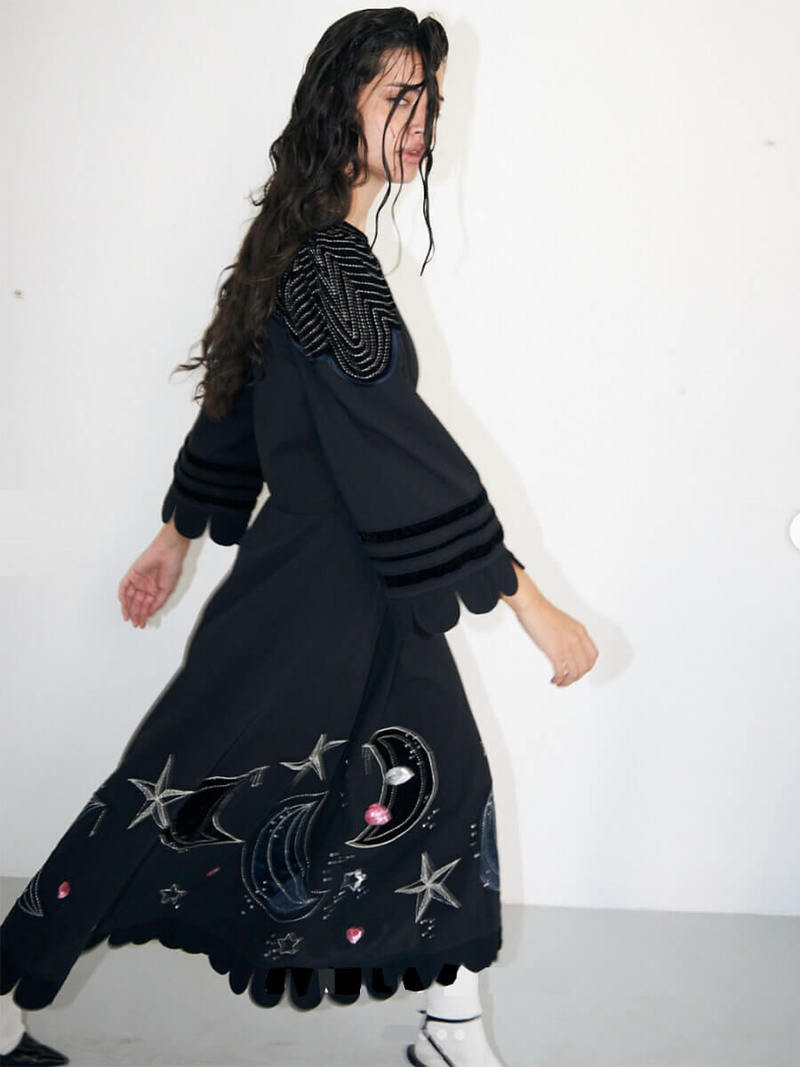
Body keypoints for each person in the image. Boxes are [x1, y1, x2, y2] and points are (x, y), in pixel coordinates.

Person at [0, 8, 598, 1066]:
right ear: (339, 103)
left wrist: (174, 536)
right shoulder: (328, 262)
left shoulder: (303, 244)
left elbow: (252, 404)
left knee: (444, 783)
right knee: (165, 794)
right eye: (397, 97)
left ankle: (452, 1033)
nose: (421, 122)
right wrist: (531, 602)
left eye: (430, 100)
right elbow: (394, 440)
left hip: (370, 587)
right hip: (312, 596)